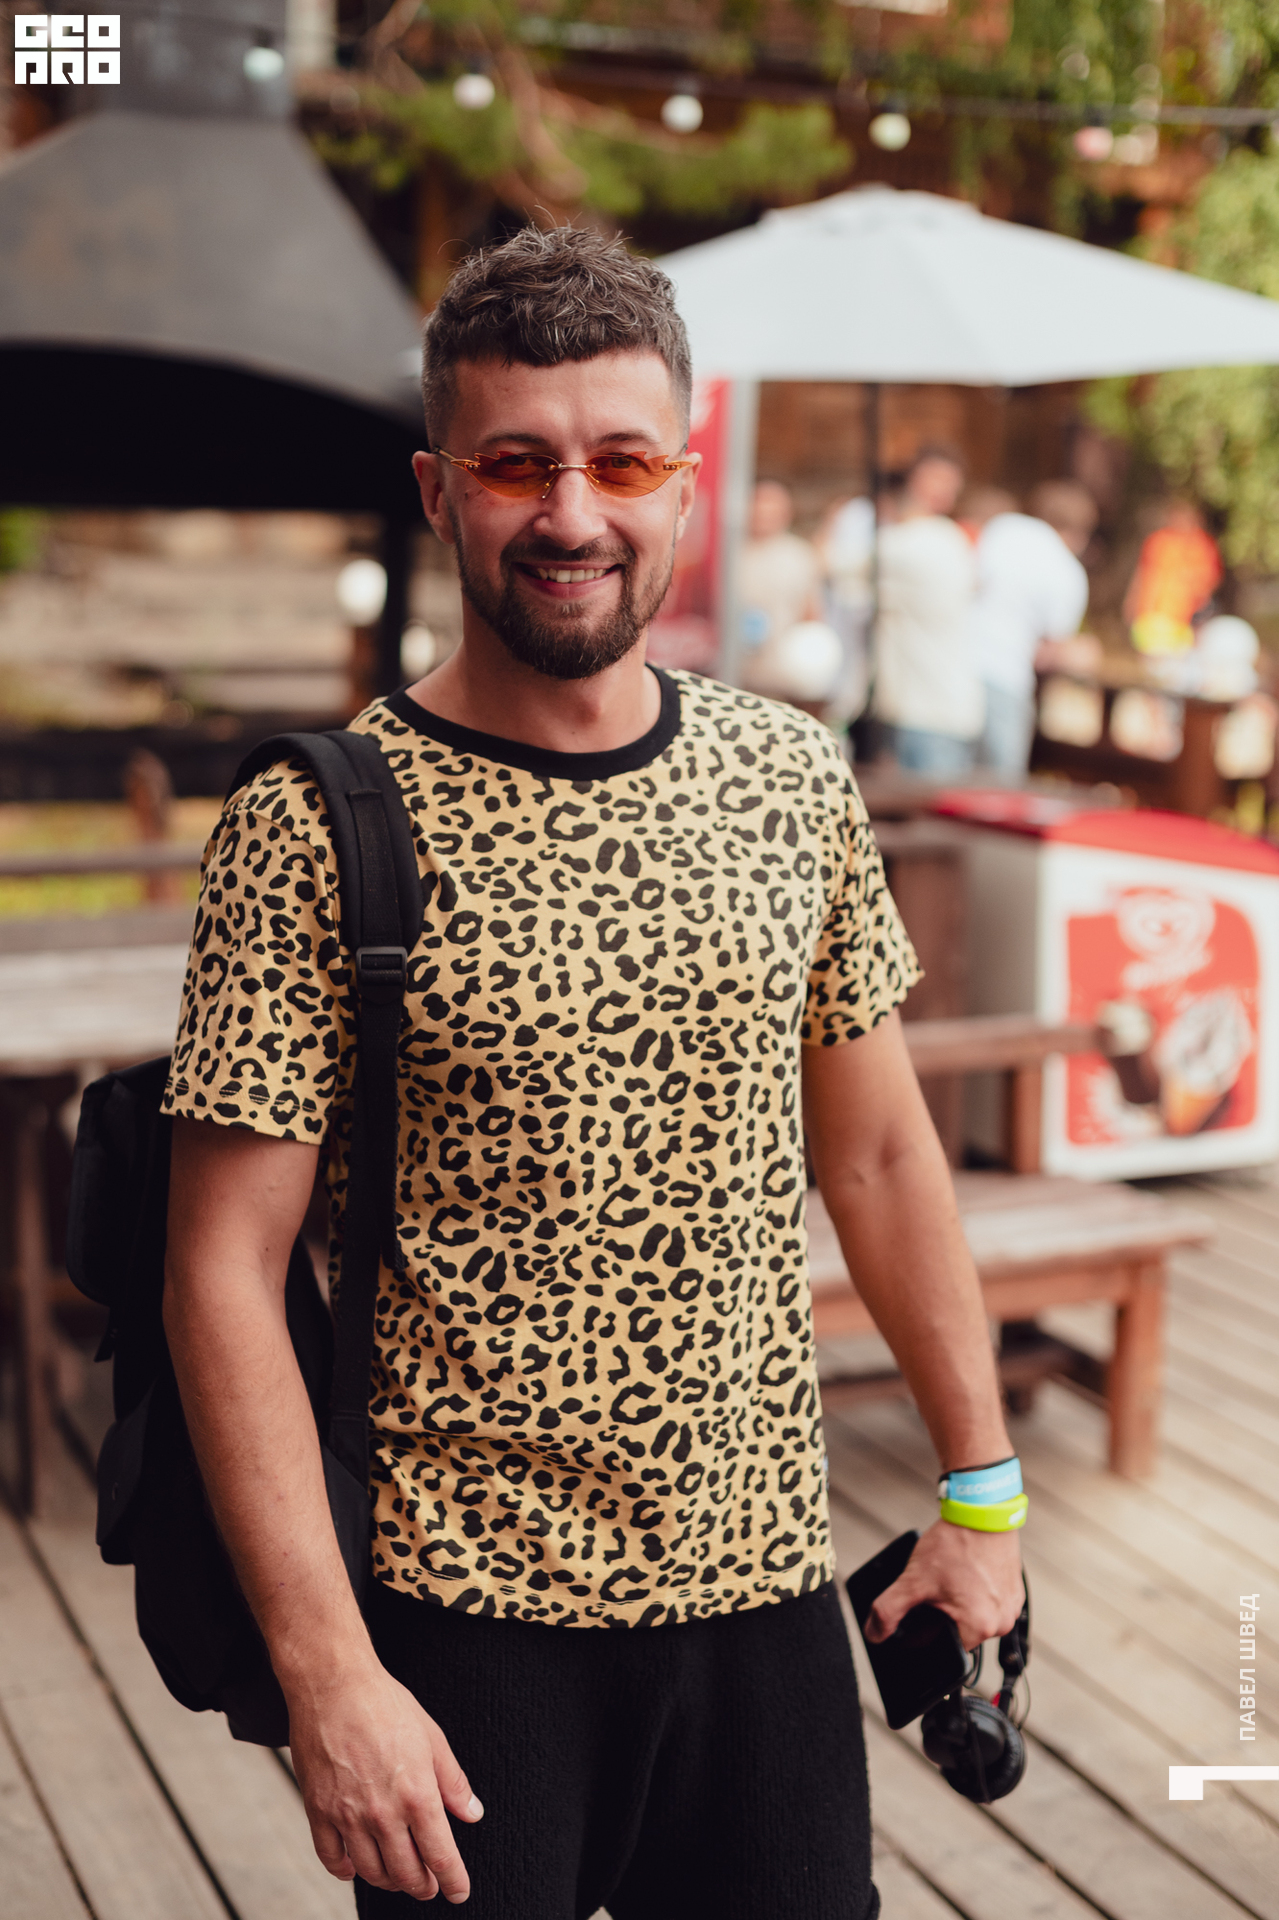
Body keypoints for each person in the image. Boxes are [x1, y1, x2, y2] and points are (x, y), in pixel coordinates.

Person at [161, 227, 1024, 1920]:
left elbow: (877, 1163)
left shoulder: (788, 778)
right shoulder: (313, 823)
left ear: (683, 487)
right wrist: (328, 1675)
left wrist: (978, 1490)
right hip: (460, 1630)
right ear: (438, 491)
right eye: (515, 464)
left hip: (763, 1597)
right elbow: (219, 1273)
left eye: (622, 462)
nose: (572, 514)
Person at [962, 479, 1096, 780]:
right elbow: (1048, 653)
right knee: (1001, 784)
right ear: (1080, 533)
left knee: (949, 781)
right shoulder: (1067, 571)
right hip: (1006, 677)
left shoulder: (1002, 528)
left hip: (958, 666)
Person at [871, 446, 983, 776]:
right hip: (932, 708)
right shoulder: (944, 539)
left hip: (928, 710)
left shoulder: (923, 541)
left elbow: (832, 561)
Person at [738, 478, 825, 695]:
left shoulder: (800, 555)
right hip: (734, 671)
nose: (763, 513)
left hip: (779, 675)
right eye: (759, 505)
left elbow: (811, 614)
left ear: (786, 513)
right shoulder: (729, 550)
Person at [1124, 498, 1222, 656]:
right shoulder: (1157, 541)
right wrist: (1131, 603)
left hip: (1184, 619)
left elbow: (1208, 584)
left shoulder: (1203, 546)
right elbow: (1143, 574)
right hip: (1152, 614)